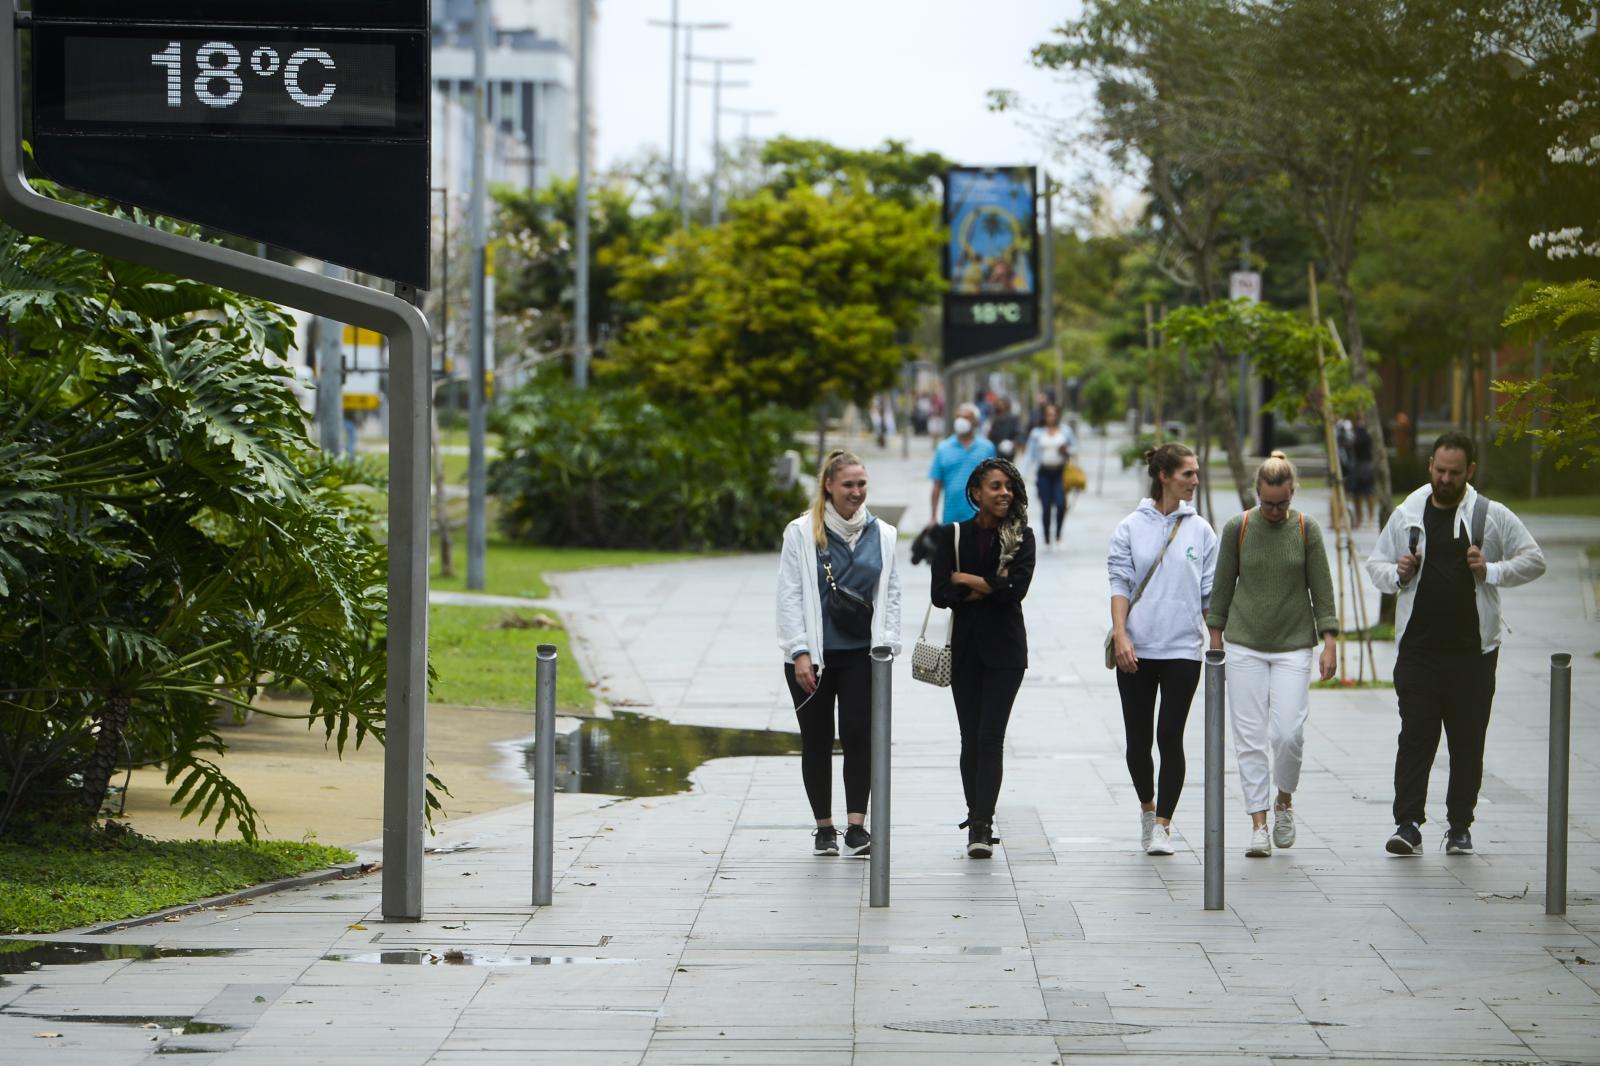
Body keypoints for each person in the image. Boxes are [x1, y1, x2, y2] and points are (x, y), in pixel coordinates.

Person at [1365, 431, 1545, 856]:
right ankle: (1407, 824)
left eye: (1455, 472)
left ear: (1471, 472)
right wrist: (1398, 575)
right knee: (1415, 738)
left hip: (1473, 654)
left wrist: (1492, 570)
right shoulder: (1408, 513)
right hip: (1419, 651)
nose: (1446, 479)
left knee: (1467, 742)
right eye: (1440, 470)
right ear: (1430, 466)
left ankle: (1460, 826)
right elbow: (1376, 565)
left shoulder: (1489, 514)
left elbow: (1534, 559)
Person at [1206, 453, 1338, 858]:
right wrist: (1215, 638)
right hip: (1244, 643)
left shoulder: (1305, 528)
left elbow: (1322, 588)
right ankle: (1258, 823)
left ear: (1292, 494)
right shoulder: (1239, 528)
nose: (1275, 511)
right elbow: (1222, 586)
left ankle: (1284, 799)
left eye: (1282, 503)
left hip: (1293, 644)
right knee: (1248, 738)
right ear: (1256, 495)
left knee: (1287, 734)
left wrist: (1329, 640)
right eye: (1268, 503)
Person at [777, 449, 903, 858]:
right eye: (848, 484)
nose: (856, 492)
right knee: (816, 739)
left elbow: (892, 593)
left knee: (858, 735)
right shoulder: (800, 532)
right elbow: (790, 595)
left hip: (861, 656)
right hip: (812, 656)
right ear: (828, 486)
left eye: (861, 484)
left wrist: (886, 646)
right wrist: (798, 652)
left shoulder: (883, 534)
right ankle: (823, 828)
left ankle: (856, 825)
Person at [1107, 443, 1219, 856]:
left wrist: (1218, 644)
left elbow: (1210, 594)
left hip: (1183, 650)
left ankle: (1164, 825)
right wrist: (1121, 634)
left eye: (1195, 473)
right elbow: (1119, 583)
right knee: (1137, 741)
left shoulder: (1202, 531)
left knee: (1169, 735)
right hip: (1136, 646)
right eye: (1188, 473)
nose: (1195, 480)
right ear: (1165, 477)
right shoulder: (1129, 528)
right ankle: (1147, 808)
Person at [931, 458, 1036, 858]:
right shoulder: (952, 535)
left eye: (1009, 486)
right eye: (995, 486)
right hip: (965, 652)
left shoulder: (1022, 537)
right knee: (969, 739)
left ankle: (981, 825)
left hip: (1006, 652)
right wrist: (989, 586)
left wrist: (966, 580)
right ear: (976, 492)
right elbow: (940, 593)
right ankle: (974, 815)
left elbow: (1015, 590)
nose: (1004, 493)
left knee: (991, 738)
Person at [928, 403, 996, 526]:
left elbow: (994, 482)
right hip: (951, 519)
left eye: (966, 417)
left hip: (981, 518)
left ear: (975, 421)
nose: (961, 421)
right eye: (959, 417)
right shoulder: (943, 448)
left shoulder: (987, 448)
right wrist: (933, 517)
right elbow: (936, 485)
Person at [1023, 403, 1078, 550]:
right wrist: (1023, 474)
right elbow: (1029, 454)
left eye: (1053, 414)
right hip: (1044, 473)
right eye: (1048, 414)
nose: (1051, 417)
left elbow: (1075, 448)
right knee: (1046, 506)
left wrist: (1066, 450)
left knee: (1061, 505)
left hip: (1060, 472)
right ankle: (1047, 538)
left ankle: (1059, 536)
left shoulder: (1065, 431)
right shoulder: (1037, 433)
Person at [1345, 413, 1376, 528]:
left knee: (1368, 492)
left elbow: (1362, 442)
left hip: (1366, 464)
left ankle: (1371, 517)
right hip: (1356, 464)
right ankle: (1359, 518)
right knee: (1356, 493)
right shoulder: (1351, 430)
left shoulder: (1367, 431)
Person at [988, 396, 1024, 461]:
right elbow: (990, 436)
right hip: (995, 451)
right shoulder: (993, 418)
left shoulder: (1013, 419)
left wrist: (1013, 443)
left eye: (1003, 404)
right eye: (998, 404)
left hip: (1008, 451)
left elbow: (1019, 434)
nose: (1000, 406)